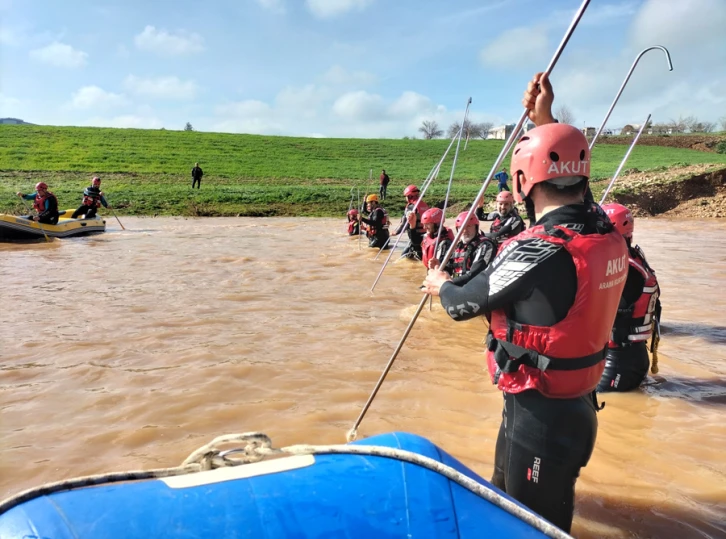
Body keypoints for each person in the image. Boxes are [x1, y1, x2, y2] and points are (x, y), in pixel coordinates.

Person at [421, 71, 629, 533]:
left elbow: (462, 304)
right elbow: (579, 196)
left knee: (530, 525)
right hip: (576, 405)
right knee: (512, 504)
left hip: (539, 418)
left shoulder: (537, 248)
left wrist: (440, 282)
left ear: (520, 180)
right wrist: (546, 121)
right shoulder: (607, 233)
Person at [598, 203, 661, 392]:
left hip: (619, 360)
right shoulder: (631, 259)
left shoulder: (623, 268)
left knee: (603, 410)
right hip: (628, 354)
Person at [444, 211, 497, 280]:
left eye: (468, 226)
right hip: (458, 285)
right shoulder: (458, 246)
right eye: (461, 227)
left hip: (476, 286)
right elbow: (449, 268)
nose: (465, 230)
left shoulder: (485, 245)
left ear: (476, 227)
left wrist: (449, 283)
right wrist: (438, 266)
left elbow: (474, 274)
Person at [391, 185, 429, 260]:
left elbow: (405, 223)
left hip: (415, 236)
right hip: (424, 236)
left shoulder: (411, 207)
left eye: (406, 196)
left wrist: (396, 232)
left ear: (409, 196)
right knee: (412, 256)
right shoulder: (424, 205)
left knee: (404, 258)